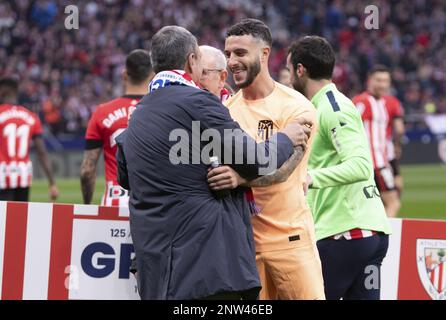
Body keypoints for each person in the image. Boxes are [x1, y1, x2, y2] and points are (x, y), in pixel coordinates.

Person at [115, 25, 311, 300]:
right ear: (191, 60)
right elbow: (257, 160)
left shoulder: (138, 115)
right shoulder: (199, 103)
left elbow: (125, 177)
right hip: (205, 270)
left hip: (157, 274)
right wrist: (286, 137)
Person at [210, 19, 325, 300]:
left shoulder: (297, 107)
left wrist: (238, 178)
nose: (232, 62)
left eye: (240, 53)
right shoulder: (225, 111)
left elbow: (284, 170)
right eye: (227, 55)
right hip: (244, 246)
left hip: (291, 240)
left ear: (264, 54)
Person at [287, 36, 391, 299]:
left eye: (290, 71)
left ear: (300, 70)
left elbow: (360, 166)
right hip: (367, 234)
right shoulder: (325, 105)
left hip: (345, 234)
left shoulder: (333, 107)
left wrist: (311, 177)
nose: (289, 79)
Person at [80, 49, 154, 207]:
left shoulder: (102, 112)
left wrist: (87, 205)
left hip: (114, 200)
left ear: (124, 75)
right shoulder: (161, 110)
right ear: (152, 75)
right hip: (151, 201)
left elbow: (87, 171)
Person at [352, 65, 402, 217]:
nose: (383, 84)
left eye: (386, 81)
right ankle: (388, 239)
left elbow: (398, 130)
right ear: (369, 81)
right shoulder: (361, 102)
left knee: (374, 205)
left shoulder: (390, 102)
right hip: (376, 164)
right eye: (379, 80)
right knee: (393, 203)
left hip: (379, 161)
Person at [0, 77, 58, 201]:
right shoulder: (31, 117)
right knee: (19, 218)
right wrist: (52, 183)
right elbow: (41, 152)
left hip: (2, 176)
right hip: (24, 176)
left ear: (2, 92)